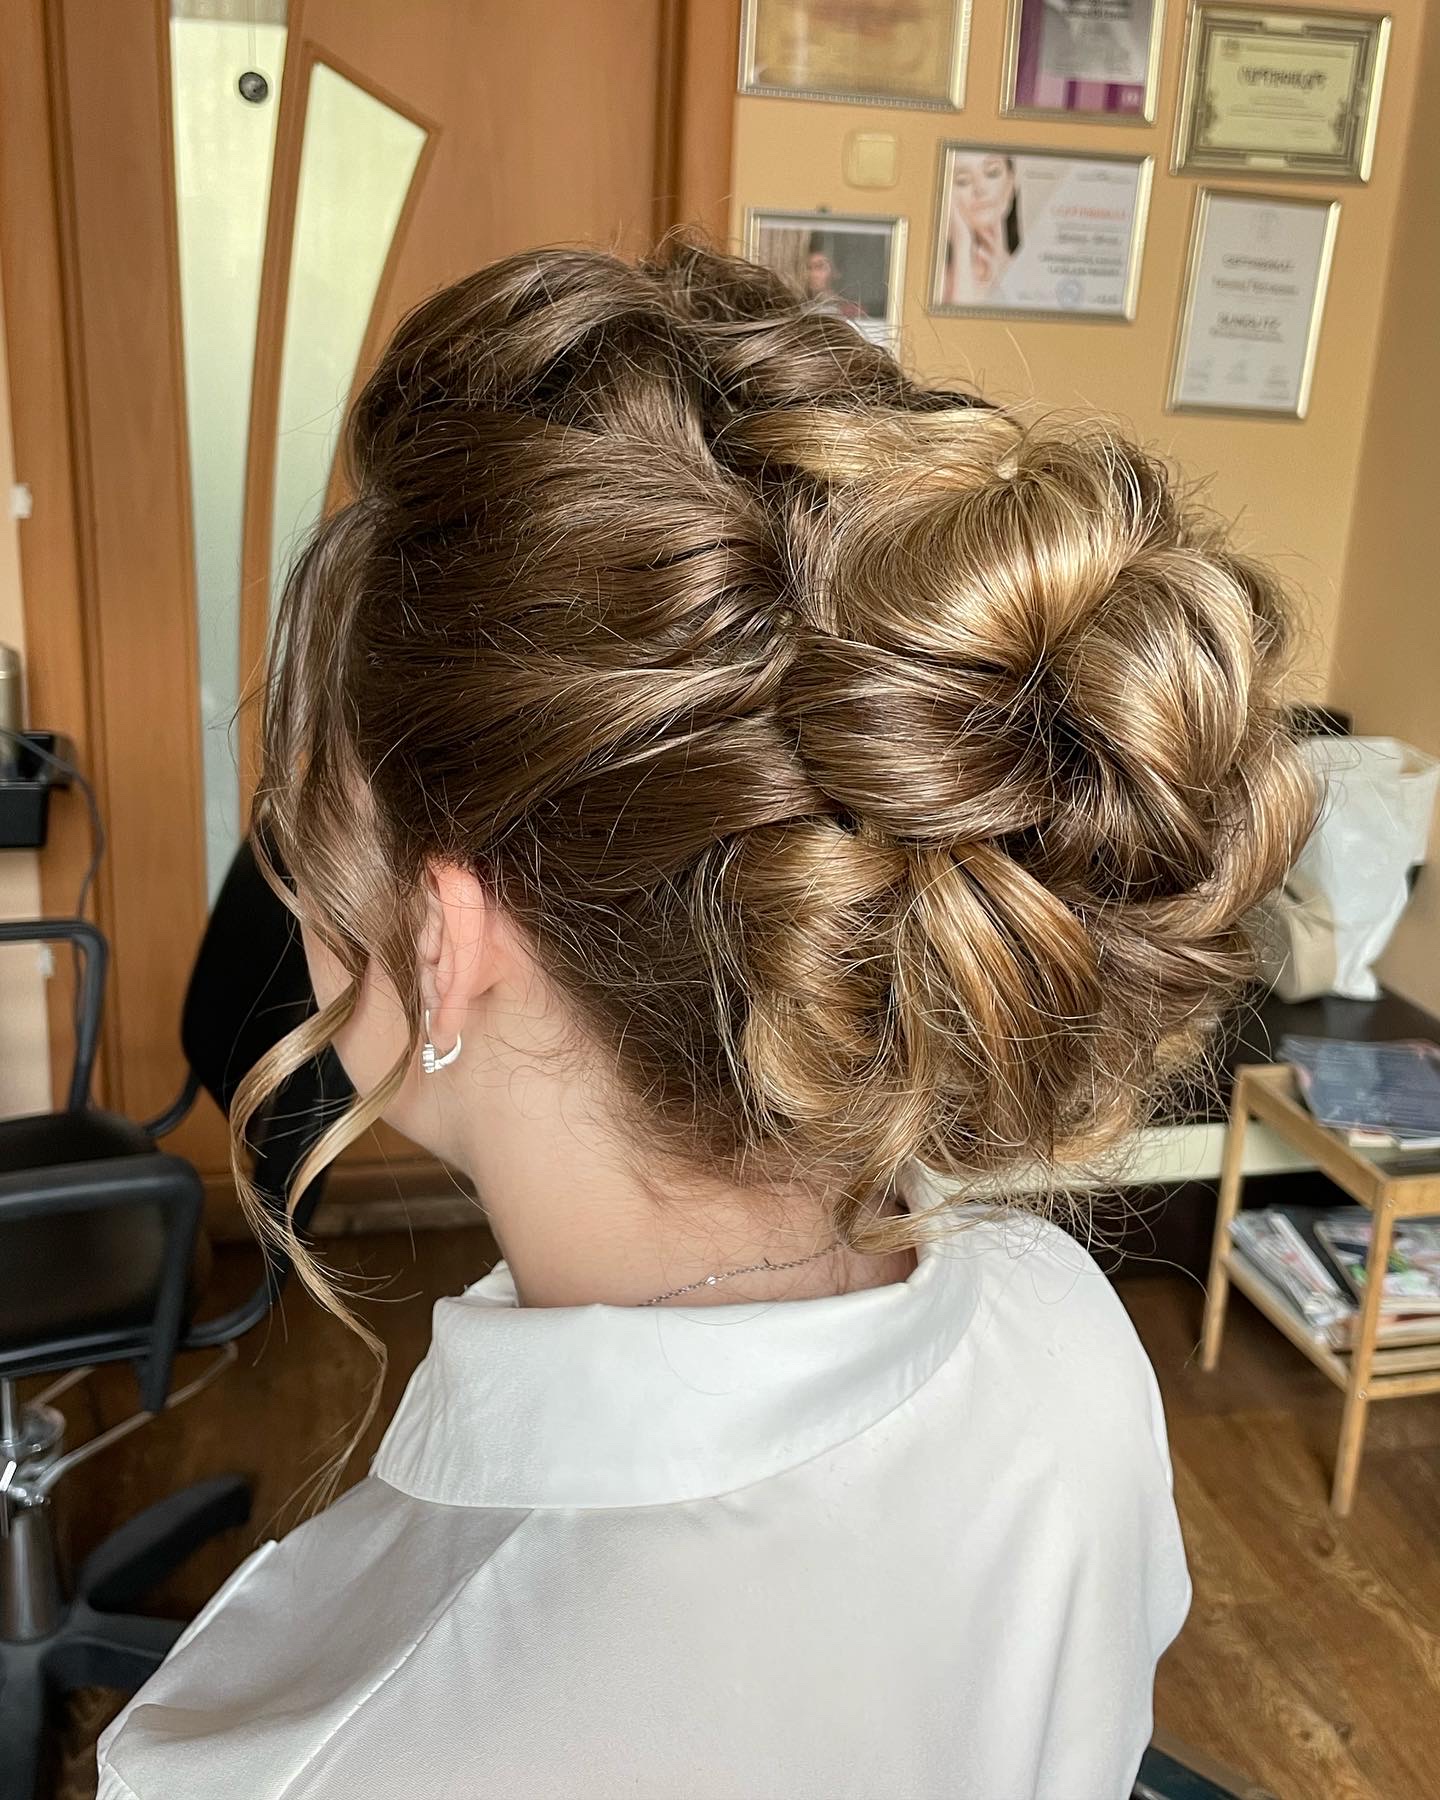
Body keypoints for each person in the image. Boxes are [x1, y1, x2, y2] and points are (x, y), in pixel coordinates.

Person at [97, 239, 1313, 1800]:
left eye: (310, 835)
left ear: (444, 944)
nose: (297, 893)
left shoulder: (291, 1759)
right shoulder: (1061, 1326)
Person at [944, 151, 1020, 305]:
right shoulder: (938, 278)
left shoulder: (1030, 268)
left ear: (1011, 184)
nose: (980, 189)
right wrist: (962, 243)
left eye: (992, 172)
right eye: (962, 180)